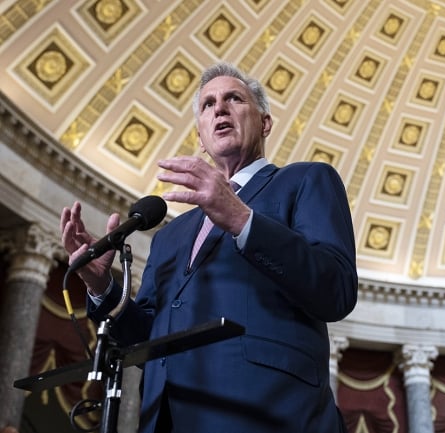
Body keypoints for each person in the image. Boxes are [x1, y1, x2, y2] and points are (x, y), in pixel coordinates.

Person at [60, 62, 358, 433]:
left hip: (269, 413)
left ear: (265, 123)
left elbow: (337, 290)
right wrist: (102, 287)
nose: (219, 108)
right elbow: (146, 338)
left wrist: (242, 220)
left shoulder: (306, 180)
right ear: (201, 138)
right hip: (167, 418)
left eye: (234, 98)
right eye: (208, 104)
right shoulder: (170, 234)